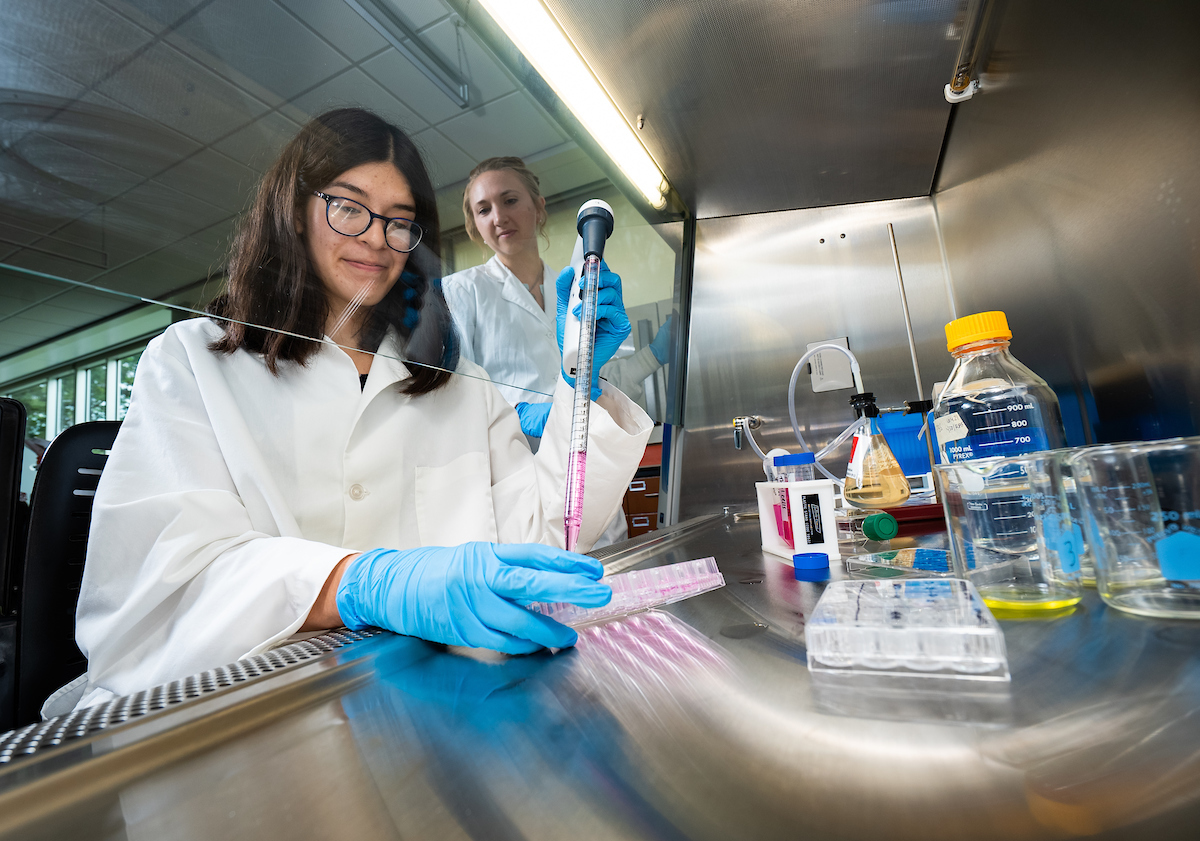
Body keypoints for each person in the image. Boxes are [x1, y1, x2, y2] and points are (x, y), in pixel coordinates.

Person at [46, 109, 652, 717]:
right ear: (292, 211)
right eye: (349, 206)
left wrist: (582, 383)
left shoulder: (460, 390)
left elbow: (544, 538)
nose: (374, 237)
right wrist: (361, 585)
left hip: (424, 716)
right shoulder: (191, 363)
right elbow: (158, 589)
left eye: (400, 222)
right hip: (233, 721)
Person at [442, 157, 672, 441]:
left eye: (510, 200)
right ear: (474, 225)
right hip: (504, 469)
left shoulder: (572, 287)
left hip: (573, 456)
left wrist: (654, 356)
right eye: (484, 210)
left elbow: (591, 383)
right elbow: (452, 396)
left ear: (539, 208)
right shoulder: (459, 292)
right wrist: (514, 414)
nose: (499, 217)